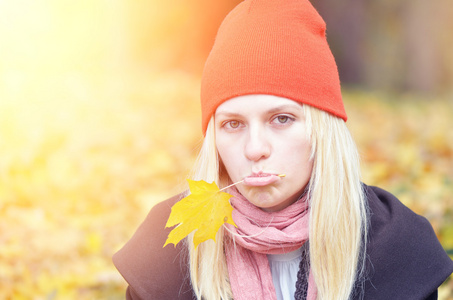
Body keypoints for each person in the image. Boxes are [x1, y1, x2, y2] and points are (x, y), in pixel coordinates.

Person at [113, 0, 453, 299]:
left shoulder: (397, 249)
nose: (255, 149)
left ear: (323, 130)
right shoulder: (165, 252)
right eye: (233, 124)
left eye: (281, 119)